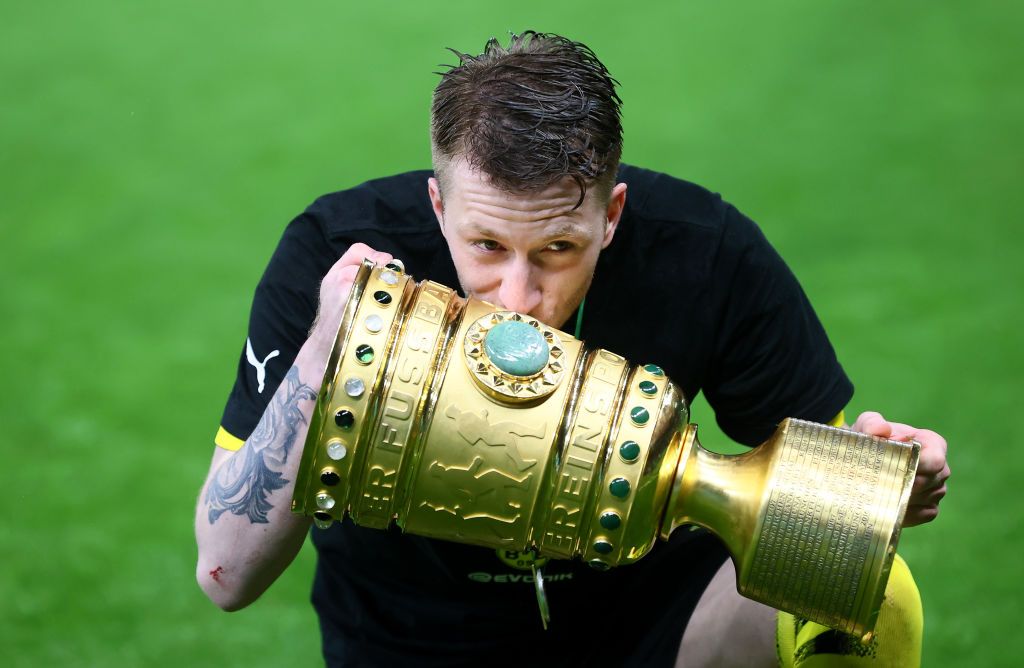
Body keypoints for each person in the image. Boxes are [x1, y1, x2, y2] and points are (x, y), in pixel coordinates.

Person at [194, 32, 950, 667]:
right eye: (485, 244)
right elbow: (225, 572)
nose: (519, 296)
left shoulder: (704, 252)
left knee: (870, 592)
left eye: (557, 248)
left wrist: (875, 487)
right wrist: (327, 350)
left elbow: (824, 472)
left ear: (611, 214)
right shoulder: (337, 257)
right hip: (409, 638)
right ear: (438, 205)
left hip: (653, 620)